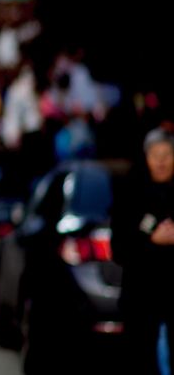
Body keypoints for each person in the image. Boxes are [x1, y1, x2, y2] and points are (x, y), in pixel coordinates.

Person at [113, 127, 174, 375]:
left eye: (167, 155)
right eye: (154, 155)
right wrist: (152, 241)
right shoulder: (131, 194)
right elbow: (119, 248)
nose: (160, 162)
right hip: (141, 298)